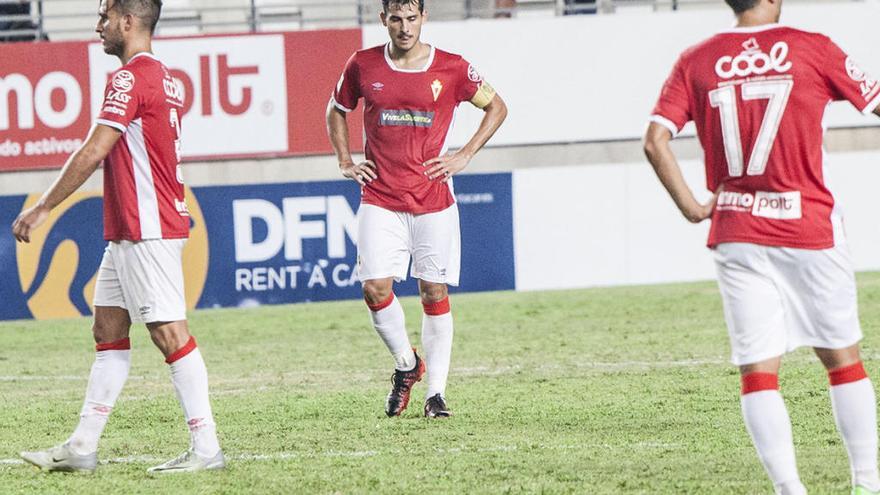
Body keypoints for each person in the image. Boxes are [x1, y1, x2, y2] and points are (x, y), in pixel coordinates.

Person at [644, 0, 880, 493]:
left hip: (736, 230)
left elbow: (654, 140)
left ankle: (789, 490)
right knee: (842, 361)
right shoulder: (813, 48)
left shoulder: (696, 59)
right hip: (808, 226)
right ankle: (865, 483)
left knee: (758, 373)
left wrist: (691, 205)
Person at [12, 0, 224, 473]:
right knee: (108, 331)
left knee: (170, 335)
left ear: (127, 22)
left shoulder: (128, 78)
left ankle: (206, 447)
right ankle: (82, 446)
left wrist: (45, 205)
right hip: (131, 229)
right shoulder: (165, 78)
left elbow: (95, 148)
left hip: (146, 227)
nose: (98, 25)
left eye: (105, 16)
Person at [326, 0, 507, 418]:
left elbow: (497, 106)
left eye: (411, 18)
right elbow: (336, 110)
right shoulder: (362, 64)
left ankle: (436, 395)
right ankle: (408, 366)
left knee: (434, 291)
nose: (404, 27)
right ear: (383, 19)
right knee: (374, 288)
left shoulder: (453, 68)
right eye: (396, 18)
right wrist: (344, 161)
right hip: (381, 197)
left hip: (433, 201)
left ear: (424, 18)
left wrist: (464, 155)